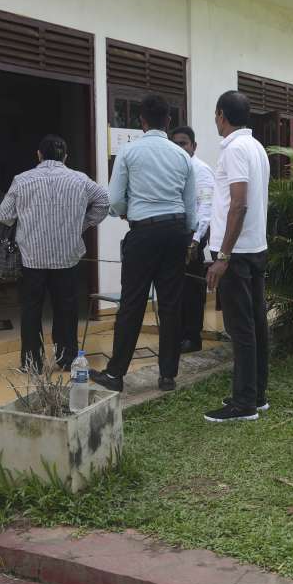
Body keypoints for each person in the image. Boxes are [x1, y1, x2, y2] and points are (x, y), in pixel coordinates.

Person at [91, 93, 196, 393]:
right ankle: (167, 375)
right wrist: (185, 234)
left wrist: (127, 214)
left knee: (133, 302)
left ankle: (116, 374)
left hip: (143, 231)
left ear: (142, 121)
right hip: (176, 231)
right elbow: (190, 208)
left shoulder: (129, 152)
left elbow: (115, 200)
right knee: (171, 304)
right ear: (169, 121)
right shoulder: (181, 156)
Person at [0, 134, 108, 372]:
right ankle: (67, 359)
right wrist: (82, 224)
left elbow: (4, 215)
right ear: (65, 156)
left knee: (31, 310)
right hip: (67, 257)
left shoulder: (22, 180)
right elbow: (103, 201)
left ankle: (32, 363)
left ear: (38, 155)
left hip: (31, 258)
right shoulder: (80, 179)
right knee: (66, 308)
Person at [203, 92, 273, 423]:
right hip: (255, 247)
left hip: (238, 253)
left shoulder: (234, 149)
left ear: (221, 116)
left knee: (241, 327)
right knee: (256, 324)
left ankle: (244, 404)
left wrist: (223, 255)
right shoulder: (256, 148)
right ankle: (256, 395)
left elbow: (239, 202)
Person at [170, 126, 215, 354]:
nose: (179, 147)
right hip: (174, 234)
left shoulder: (202, 170)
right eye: (175, 143)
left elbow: (206, 208)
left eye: (183, 143)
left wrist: (195, 240)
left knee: (192, 289)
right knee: (175, 288)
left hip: (193, 236)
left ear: (193, 146)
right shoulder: (171, 169)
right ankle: (177, 336)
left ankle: (192, 337)